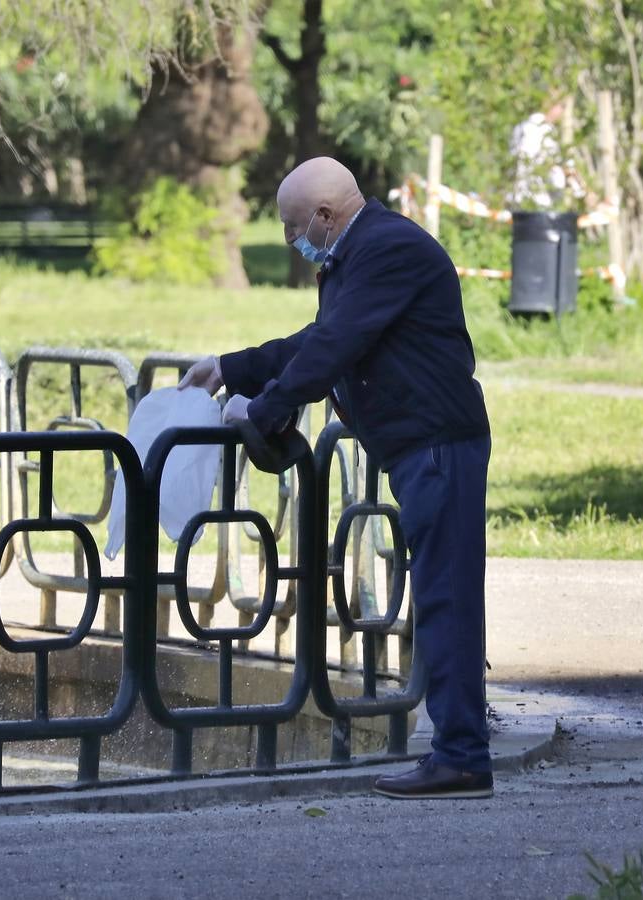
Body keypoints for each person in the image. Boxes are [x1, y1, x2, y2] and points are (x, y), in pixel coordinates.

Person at [179, 156, 494, 799]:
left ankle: (461, 756)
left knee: (447, 600)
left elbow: (334, 346)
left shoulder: (388, 250)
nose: (295, 242)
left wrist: (265, 410)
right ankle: (459, 752)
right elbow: (320, 337)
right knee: (443, 596)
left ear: (324, 216)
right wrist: (231, 369)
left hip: (437, 446)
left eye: (297, 227)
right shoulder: (363, 252)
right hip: (420, 446)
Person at [508, 97, 587, 210]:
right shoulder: (541, 130)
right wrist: (568, 179)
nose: (560, 113)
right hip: (536, 199)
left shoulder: (522, 126)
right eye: (561, 107)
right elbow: (547, 167)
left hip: (518, 195)